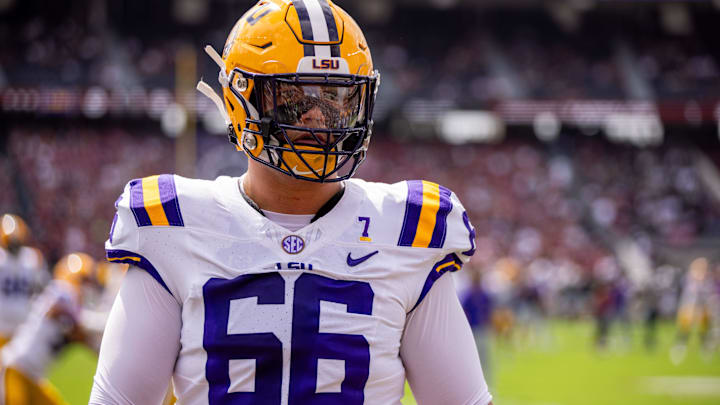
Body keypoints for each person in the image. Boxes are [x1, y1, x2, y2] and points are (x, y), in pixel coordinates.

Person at [90, 1, 492, 404]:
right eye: (295, 96)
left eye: (337, 98)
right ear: (239, 100)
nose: (317, 118)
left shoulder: (407, 232)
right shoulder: (173, 227)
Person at [0, 253, 108, 405]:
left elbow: (80, 336)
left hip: (33, 377)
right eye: (85, 281)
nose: (88, 289)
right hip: (16, 370)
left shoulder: (68, 309)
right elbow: (64, 314)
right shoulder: (62, 292)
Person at [0, 214, 48, 348]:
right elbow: (41, 288)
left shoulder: (30, 258)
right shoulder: (32, 257)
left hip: (6, 319)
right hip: (21, 318)